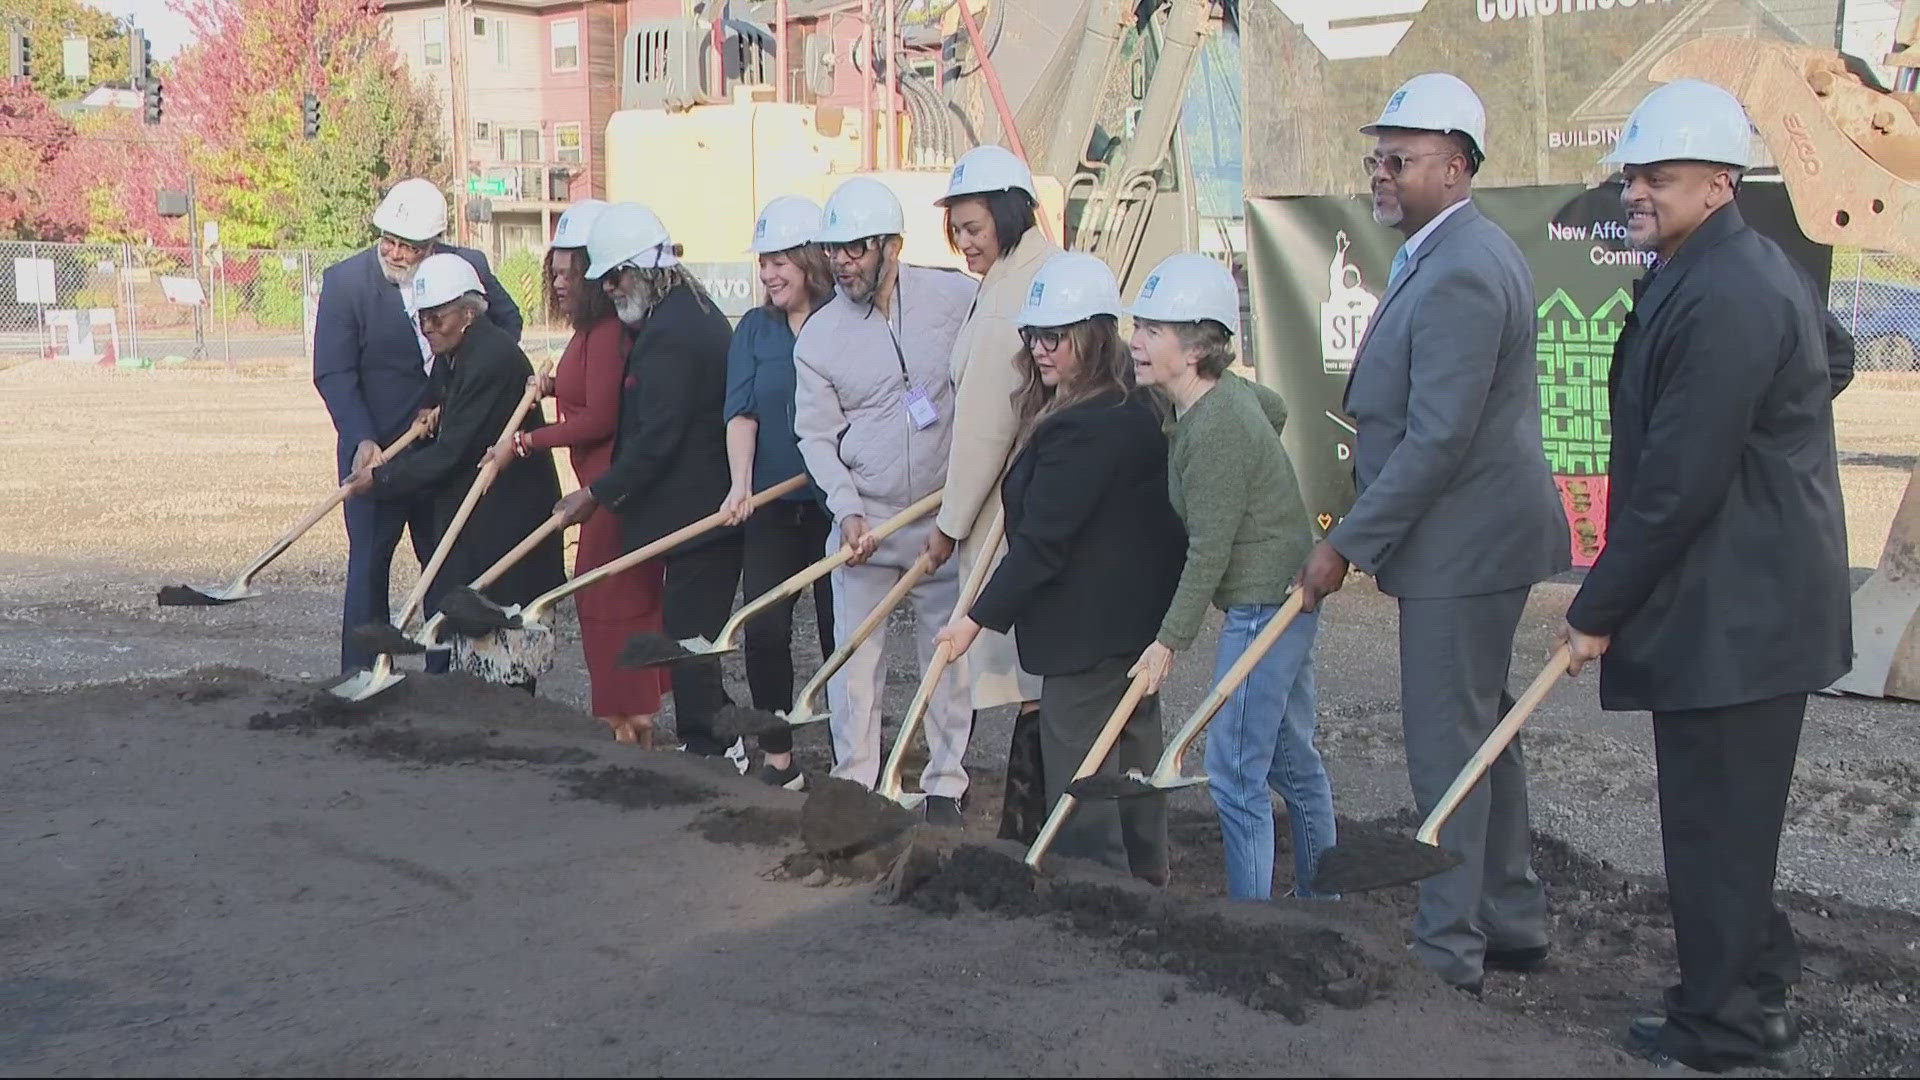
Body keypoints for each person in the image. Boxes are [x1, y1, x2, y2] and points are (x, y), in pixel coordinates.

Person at [1559, 80, 1853, 1073]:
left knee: (1715, 835)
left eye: (1660, 175)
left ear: (1720, 183)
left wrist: (1598, 608)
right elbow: (1824, 358)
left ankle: (1724, 1030)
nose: (1636, 190)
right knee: (1727, 830)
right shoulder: (1724, 271)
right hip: (1734, 605)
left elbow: (1680, 481)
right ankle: (1750, 995)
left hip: (1742, 616)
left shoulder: (1729, 291)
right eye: (1634, 173)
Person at [1295, 73, 1569, 994]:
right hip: (1466, 544)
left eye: (1399, 160)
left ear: (1456, 167)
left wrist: (1347, 542)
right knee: (1484, 733)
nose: (1381, 174)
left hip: (1466, 548)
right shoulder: (1441, 251)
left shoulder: (1461, 267)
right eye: (1377, 157)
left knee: (1449, 751)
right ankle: (1511, 916)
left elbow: (1439, 437)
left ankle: (1449, 953)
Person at [936, 252, 1184, 881]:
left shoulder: (1086, 426)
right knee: (1132, 764)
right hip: (1132, 625)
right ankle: (1147, 883)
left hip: (1087, 631)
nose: (1040, 349)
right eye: (1033, 336)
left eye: (1055, 337)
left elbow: (1044, 545)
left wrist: (975, 620)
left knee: (1083, 779)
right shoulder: (1133, 407)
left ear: (1095, 335)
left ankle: (1096, 892)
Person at [1125, 252, 1333, 900]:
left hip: (1263, 604)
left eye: (1153, 332)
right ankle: (1323, 895)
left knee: (1236, 768)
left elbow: (1208, 551)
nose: (1135, 342)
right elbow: (1274, 410)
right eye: (1139, 327)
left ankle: (1251, 918)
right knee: (1288, 757)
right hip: (1283, 593)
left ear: (1193, 350)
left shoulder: (1214, 427)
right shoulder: (1222, 400)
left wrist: (1167, 643)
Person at [792, 176, 978, 826]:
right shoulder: (818, 338)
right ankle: (859, 780)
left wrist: (961, 512)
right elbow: (814, 436)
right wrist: (845, 509)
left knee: (949, 655)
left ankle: (945, 784)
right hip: (864, 524)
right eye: (834, 250)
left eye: (856, 249)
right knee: (854, 658)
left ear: (891, 246)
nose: (842, 262)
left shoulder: (955, 298)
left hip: (944, 522)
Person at [554, 202, 744, 762]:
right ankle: (710, 741)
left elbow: (657, 438)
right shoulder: (683, 311)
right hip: (689, 512)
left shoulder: (674, 334)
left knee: (687, 644)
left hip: (702, 515)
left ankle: (713, 748)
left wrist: (596, 494)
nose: (610, 289)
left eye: (616, 276)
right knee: (687, 640)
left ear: (649, 267)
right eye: (604, 279)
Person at [315, 178, 522, 675]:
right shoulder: (345, 283)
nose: (395, 251)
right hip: (378, 453)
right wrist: (362, 436)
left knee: (447, 569)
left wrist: (461, 389)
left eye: (407, 245)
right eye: (388, 239)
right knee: (368, 570)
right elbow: (333, 371)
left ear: (434, 244)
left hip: (445, 455)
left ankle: (444, 678)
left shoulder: (467, 268)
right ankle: (363, 674)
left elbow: (506, 326)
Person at [922, 144, 1062, 843]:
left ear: (1008, 215)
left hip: (1016, 499)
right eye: (958, 232)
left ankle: (1030, 824)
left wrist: (950, 522)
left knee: (1031, 667)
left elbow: (984, 421)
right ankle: (1031, 821)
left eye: (973, 228)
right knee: (1036, 671)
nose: (965, 244)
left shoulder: (1018, 290)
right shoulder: (1017, 274)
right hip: (1021, 487)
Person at [343, 254, 563, 692]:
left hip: (509, 515)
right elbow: (440, 392)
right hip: (478, 513)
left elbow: (450, 454)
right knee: (470, 634)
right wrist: (428, 407)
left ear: (467, 312)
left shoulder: (492, 359)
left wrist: (381, 480)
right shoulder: (457, 349)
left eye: (436, 318)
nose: (427, 328)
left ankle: (511, 728)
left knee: (504, 638)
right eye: (421, 319)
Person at [509, 199, 668, 745]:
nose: (558, 282)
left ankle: (632, 719)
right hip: (595, 491)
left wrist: (530, 439)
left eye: (568, 272)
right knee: (597, 601)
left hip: (609, 495)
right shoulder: (584, 334)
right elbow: (584, 393)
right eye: (552, 270)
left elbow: (601, 417)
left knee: (613, 601)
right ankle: (620, 717)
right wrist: (552, 388)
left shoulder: (604, 335)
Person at [720, 196, 839, 789]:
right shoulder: (754, 330)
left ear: (810, 259)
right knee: (764, 630)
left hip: (837, 508)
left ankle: (853, 758)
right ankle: (779, 757)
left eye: (779, 261)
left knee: (838, 631)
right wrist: (741, 486)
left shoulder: (847, 320)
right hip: (772, 505)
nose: (768, 274)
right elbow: (742, 413)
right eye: (763, 262)